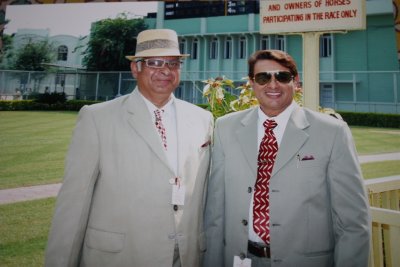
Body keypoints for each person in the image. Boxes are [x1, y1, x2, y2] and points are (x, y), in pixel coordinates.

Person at [45, 29, 213, 267]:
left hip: (185, 257)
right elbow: (74, 202)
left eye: (173, 63)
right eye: (154, 63)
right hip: (119, 257)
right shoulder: (97, 118)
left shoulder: (202, 119)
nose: (165, 71)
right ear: (136, 68)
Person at [204, 49, 371, 267]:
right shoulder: (226, 128)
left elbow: (353, 223)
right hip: (240, 259)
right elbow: (215, 212)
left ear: (296, 82)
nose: (273, 85)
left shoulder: (332, 132)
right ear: (252, 83)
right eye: (263, 78)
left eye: (282, 77)